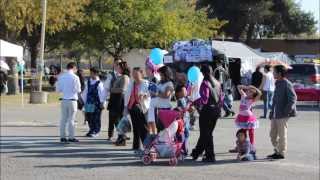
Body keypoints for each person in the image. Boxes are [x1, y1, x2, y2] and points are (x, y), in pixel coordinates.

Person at [191, 65, 221, 162]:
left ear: (203, 73)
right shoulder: (218, 83)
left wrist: (194, 101)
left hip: (207, 110)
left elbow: (204, 99)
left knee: (205, 134)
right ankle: (199, 152)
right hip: (216, 110)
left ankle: (208, 155)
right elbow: (221, 98)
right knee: (207, 134)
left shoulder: (205, 83)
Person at [267, 65, 297, 160]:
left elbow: (293, 98)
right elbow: (275, 99)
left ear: (279, 73)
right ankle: (277, 150)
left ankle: (281, 153)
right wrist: (272, 111)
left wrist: (286, 111)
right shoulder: (277, 83)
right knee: (272, 135)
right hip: (276, 113)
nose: (273, 73)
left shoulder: (287, 83)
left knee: (282, 134)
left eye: (274, 72)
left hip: (283, 114)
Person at [122, 67, 149, 152]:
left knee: (143, 128)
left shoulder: (146, 83)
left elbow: (149, 95)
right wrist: (125, 108)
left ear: (141, 74)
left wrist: (144, 95)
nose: (134, 76)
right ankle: (136, 146)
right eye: (133, 74)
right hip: (132, 107)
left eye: (136, 74)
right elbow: (127, 95)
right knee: (135, 127)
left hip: (142, 108)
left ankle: (146, 146)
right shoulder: (131, 83)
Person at [56, 62, 81, 143]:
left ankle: (62, 137)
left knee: (63, 119)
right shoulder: (75, 77)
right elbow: (78, 89)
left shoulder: (61, 77)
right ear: (73, 68)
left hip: (63, 99)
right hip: (72, 100)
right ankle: (71, 136)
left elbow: (58, 89)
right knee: (72, 119)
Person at [108, 61, 130, 144]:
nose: (117, 68)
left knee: (120, 120)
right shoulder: (120, 76)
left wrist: (112, 89)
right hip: (116, 100)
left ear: (123, 68)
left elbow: (123, 90)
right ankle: (120, 138)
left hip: (120, 100)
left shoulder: (125, 77)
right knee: (117, 120)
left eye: (119, 67)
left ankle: (122, 138)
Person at [234, 85, 261, 149]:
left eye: (250, 92)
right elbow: (238, 87)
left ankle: (252, 146)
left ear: (252, 95)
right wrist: (247, 87)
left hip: (248, 118)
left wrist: (254, 88)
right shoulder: (243, 95)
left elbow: (259, 93)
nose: (248, 91)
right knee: (242, 132)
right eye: (248, 91)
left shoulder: (252, 100)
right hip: (241, 117)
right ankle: (241, 145)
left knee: (251, 132)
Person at [81, 67, 105, 137]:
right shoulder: (88, 82)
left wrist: (102, 103)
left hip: (96, 104)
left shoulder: (99, 83)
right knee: (89, 117)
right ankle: (91, 129)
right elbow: (85, 92)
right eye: (90, 73)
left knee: (96, 118)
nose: (91, 74)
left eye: (92, 73)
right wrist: (84, 102)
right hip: (88, 102)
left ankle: (96, 131)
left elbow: (102, 94)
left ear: (96, 74)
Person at [175, 84, 192, 155]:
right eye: (183, 90)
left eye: (185, 90)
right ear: (178, 93)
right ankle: (184, 149)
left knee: (187, 134)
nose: (185, 91)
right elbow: (183, 109)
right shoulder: (180, 100)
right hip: (182, 120)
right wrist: (189, 105)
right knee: (184, 134)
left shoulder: (185, 98)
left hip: (186, 119)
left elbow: (189, 108)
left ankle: (185, 149)